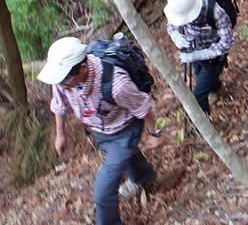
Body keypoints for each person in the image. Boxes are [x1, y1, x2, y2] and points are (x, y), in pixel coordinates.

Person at [38, 36, 159, 225]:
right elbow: (59, 104)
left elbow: (142, 106)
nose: (60, 84)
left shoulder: (116, 83)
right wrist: (60, 134)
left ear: (83, 68)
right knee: (128, 156)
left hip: (125, 130)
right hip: (99, 129)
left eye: (64, 79)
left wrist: (155, 133)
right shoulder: (64, 78)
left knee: (103, 192)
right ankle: (144, 176)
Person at [165, 0, 234, 116]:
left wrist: (199, 55)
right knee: (198, 73)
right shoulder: (179, 7)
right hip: (193, 49)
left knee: (198, 96)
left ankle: (204, 121)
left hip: (214, 58)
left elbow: (226, 42)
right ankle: (215, 88)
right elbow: (171, 24)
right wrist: (175, 35)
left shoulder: (216, 12)